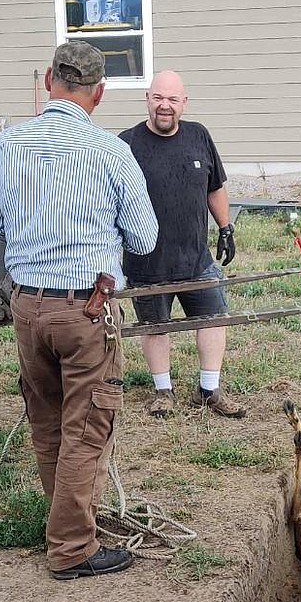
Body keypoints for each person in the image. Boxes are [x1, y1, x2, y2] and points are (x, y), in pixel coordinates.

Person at [0, 41, 158, 580]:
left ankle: (66, 522)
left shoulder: (6, 145)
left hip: (28, 308)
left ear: (50, 81)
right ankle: (73, 547)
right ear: (97, 93)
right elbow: (145, 239)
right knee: (86, 429)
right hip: (86, 312)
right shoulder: (110, 151)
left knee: (50, 423)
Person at [119, 70, 246, 420]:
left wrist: (225, 227)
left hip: (196, 259)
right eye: (159, 97)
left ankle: (210, 389)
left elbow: (215, 187)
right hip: (146, 262)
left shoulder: (198, 135)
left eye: (173, 99)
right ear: (147, 98)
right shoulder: (126, 144)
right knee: (155, 326)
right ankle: (163, 391)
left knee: (213, 318)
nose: (165, 106)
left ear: (183, 103)